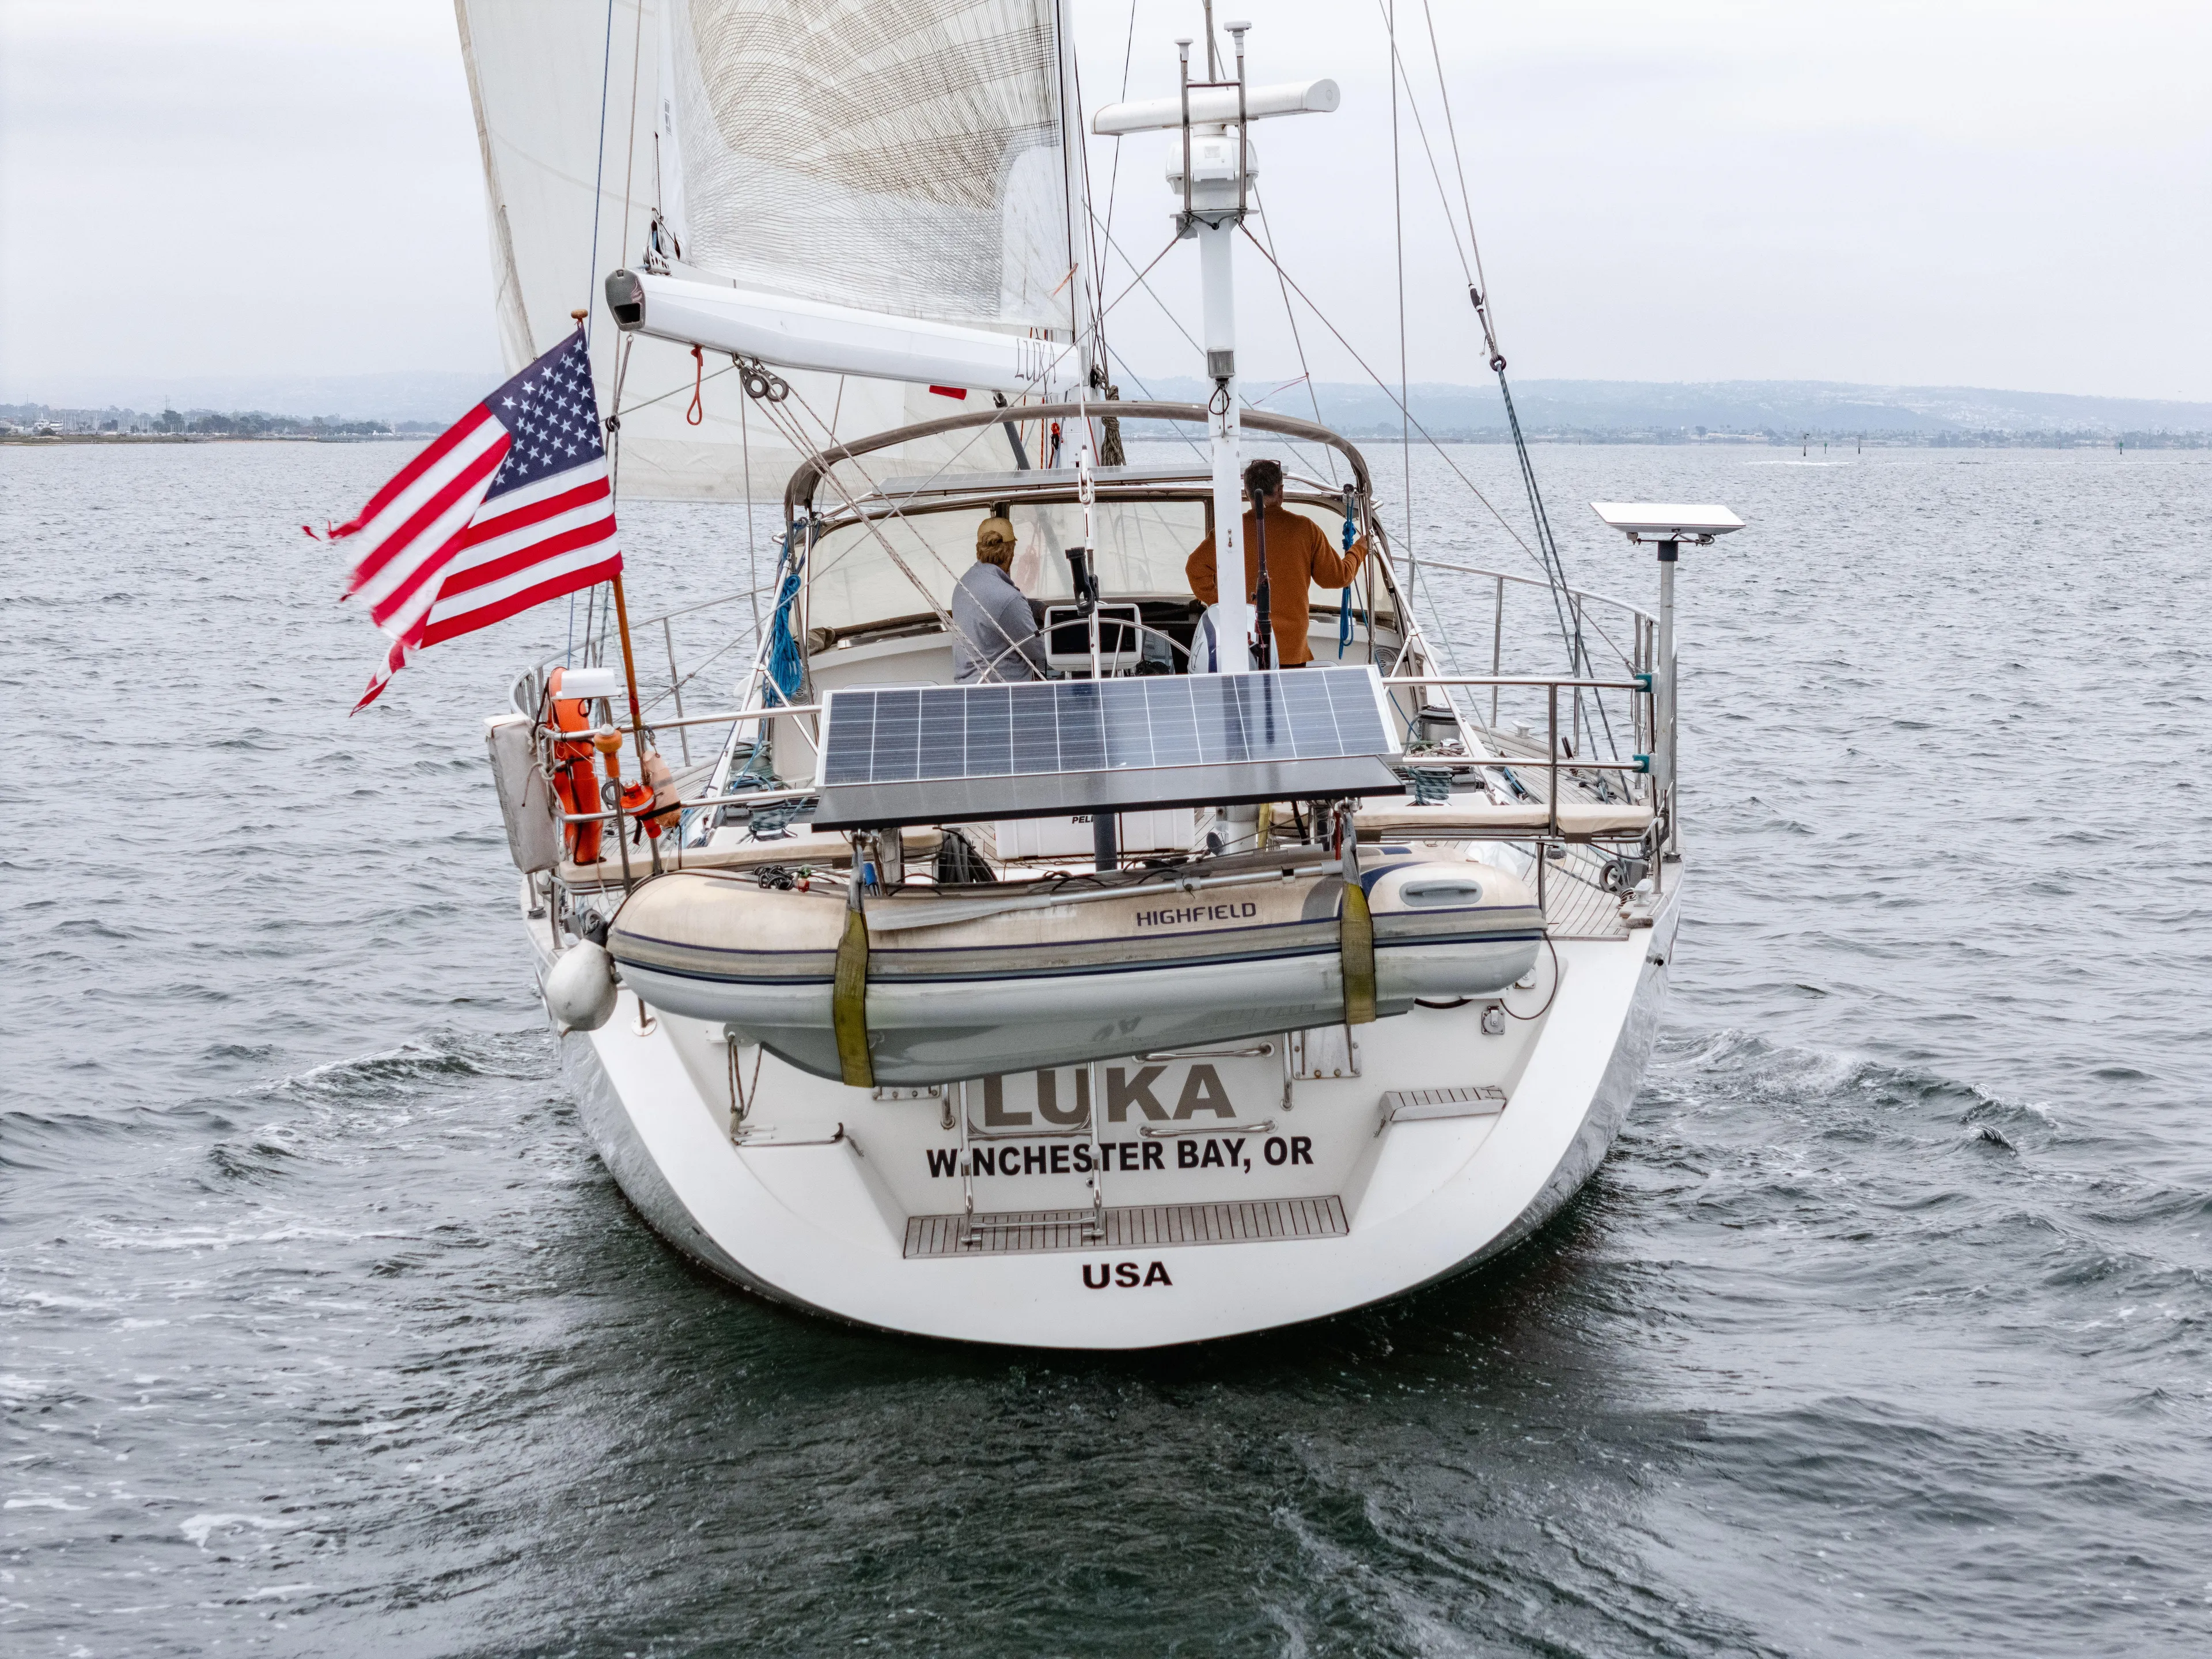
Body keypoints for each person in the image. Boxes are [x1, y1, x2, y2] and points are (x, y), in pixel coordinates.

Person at [1185, 458, 1368, 666]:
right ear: (1280, 491)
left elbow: (1195, 569)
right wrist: (1360, 548)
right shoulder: (1305, 529)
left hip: (1244, 645)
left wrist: (1225, 606)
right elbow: (1337, 578)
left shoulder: (1230, 531)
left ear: (1247, 493)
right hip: (1290, 649)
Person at [950, 515, 1047, 683]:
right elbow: (1039, 650)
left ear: (979, 548)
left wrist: (1038, 608)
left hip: (969, 686)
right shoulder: (1008, 598)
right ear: (1011, 551)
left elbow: (998, 608)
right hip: (1003, 689)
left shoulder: (964, 584)